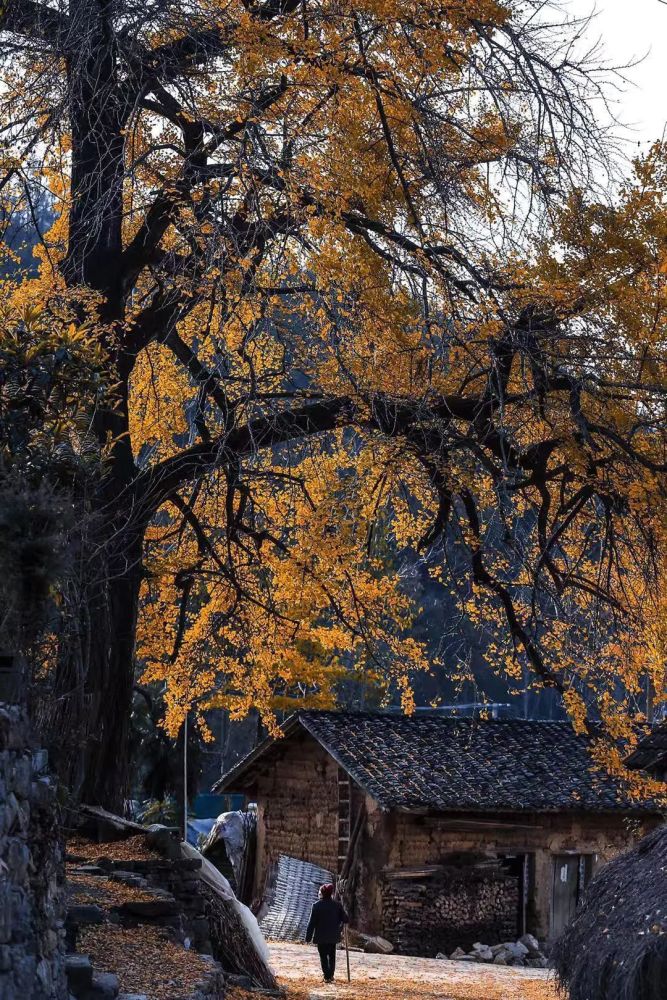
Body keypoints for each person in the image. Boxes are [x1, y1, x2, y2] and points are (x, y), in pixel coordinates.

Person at [305, 883, 349, 983]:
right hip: (333, 936)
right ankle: (330, 975)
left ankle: (327, 976)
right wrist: (344, 914)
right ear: (331, 893)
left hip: (321, 937)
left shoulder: (316, 906)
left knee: (323, 957)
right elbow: (346, 919)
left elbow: (311, 923)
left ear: (322, 893)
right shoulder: (337, 905)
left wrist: (308, 937)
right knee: (332, 956)